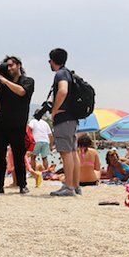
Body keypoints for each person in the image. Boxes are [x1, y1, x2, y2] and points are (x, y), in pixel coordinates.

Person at [0, 55, 35, 194]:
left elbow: (22, 92)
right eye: (6, 66)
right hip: (2, 124)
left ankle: (22, 184)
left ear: (18, 65)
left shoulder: (27, 81)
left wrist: (5, 81)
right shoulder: (3, 85)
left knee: (19, 156)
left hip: (18, 124)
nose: (8, 68)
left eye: (11, 65)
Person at [48, 47, 80, 196]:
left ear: (52, 60)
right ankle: (75, 185)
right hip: (72, 118)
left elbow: (63, 91)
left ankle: (68, 186)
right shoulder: (69, 73)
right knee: (73, 152)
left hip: (64, 118)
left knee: (66, 153)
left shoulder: (61, 74)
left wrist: (54, 110)